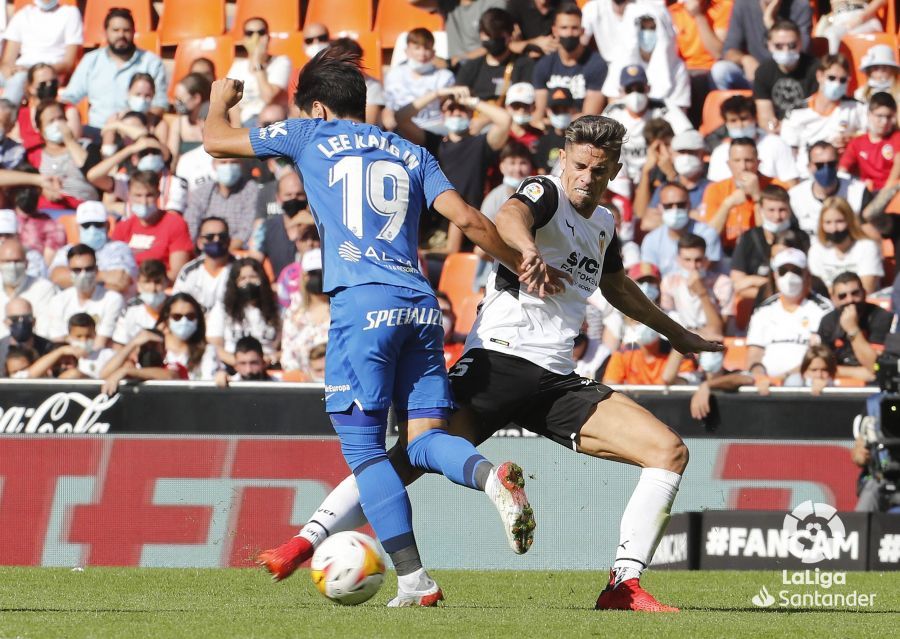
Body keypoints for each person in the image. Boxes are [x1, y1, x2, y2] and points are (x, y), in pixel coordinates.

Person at [256, 115, 722, 612]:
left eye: (600, 170)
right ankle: (305, 541)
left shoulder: (604, 223)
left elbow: (617, 287)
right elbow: (509, 216)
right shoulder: (545, 192)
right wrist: (526, 250)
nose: (587, 178)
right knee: (408, 457)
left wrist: (676, 334)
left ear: (615, 172)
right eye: (580, 166)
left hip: (556, 381)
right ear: (564, 159)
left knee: (668, 452)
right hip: (497, 363)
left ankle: (622, 586)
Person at [204, 48, 554, 606]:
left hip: (362, 305)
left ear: (319, 108)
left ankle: (415, 581)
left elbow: (216, 141)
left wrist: (220, 101)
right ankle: (491, 477)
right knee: (426, 440)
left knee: (366, 450)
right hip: (421, 304)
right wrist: (520, 264)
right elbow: (467, 219)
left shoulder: (307, 134)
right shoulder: (413, 151)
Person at [396, 86, 511, 252]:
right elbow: (400, 117)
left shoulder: (480, 144)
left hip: (469, 231)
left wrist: (473, 102)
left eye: (463, 109)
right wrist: (437, 93)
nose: (457, 113)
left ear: (471, 113)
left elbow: (505, 120)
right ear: (443, 114)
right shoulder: (434, 143)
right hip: (432, 229)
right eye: (451, 108)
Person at [59, 7, 169, 133]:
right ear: (106, 32)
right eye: (115, 30)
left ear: (134, 31)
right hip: (97, 130)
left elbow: (159, 105)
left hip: (134, 132)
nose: (121, 35)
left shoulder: (151, 62)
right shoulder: (91, 60)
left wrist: (137, 123)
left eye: (126, 30)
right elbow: (69, 97)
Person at [746, 248, 833, 379]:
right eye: (783, 271)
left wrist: (785, 377)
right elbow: (754, 353)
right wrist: (758, 375)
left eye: (796, 271)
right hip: (766, 382)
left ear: (807, 275)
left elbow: (822, 357)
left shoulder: (823, 310)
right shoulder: (763, 310)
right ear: (775, 276)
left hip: (805, 381)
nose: (789, 276)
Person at [603, 65, 692, 185]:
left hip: (658, 170)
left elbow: (687, 134)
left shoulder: (663, 107)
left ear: (648, 88)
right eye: (629, 90)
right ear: (621, 92)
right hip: (622, 173)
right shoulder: (613, 112)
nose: (635, 94)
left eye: (640, 89)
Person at [780, 53, 866, 177]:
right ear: (819, 76)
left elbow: (875, 137)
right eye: (831, 78)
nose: (837, 84)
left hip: (843, 174)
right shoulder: (796, 112)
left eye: (843, 80)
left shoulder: (856, 107)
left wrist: (852, 140)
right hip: (806, 175)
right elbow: (788, 152)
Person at [110, 170, 193, 281]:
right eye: (138, 195)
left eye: (149, 195)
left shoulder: (175, 223)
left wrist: (145, 283)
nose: (143, 201)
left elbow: (177, 273)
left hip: (162, 286)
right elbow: (113, 267)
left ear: (158, 195)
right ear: (129, 195)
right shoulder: (122, 227)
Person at [731, 184, 807, 304]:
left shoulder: (801, 238)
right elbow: (738, 285)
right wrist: (778, 288)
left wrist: (753, 280)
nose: (777, 216)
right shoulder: (748, 238)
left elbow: (805, 281)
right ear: (761, 210)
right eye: (771, 210)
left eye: (782, 210)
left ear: (790, 210)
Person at [531, 4, 608, 122]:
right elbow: (539, 114)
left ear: (582, 31)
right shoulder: (544, 65)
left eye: (574, 28)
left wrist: (561, 120)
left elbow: (590, 116)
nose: (569, 33)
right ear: (555, 31)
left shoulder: (596, 64)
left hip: (581, 130)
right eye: (564, 28)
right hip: (550, 128)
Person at [701, 137, 777, 252]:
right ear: (729, 164)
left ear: (758, 163)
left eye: (748, 160)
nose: (743, 167)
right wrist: (727, 205)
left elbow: (769, 237)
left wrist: (757, 196)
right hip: (727, 252)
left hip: (761, 251)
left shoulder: (774, 186)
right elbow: (708, 237)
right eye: (737, 161)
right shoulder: (715, 189)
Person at [713, 0, 812, 89]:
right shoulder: (743, 3)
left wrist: (772, 26)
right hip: (754, 73)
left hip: (789, 74)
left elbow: (802, 50)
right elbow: (729, 50)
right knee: (721, 70)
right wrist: (745, 59)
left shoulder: (800, 5)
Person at [0, 0, 82, 106]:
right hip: (21, 69)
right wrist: (9, 72)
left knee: (19, 79)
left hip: (48, 72)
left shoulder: (70, 14)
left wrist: (31, 71)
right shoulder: (22, 15)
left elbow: (68, 63)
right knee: (15, 78)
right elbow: (8, 60)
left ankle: (6, 114)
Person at [705, 94, 799, 184]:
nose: (739, 125)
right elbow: (714, 188)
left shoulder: (776, 144)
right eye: (733, 120)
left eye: (744, 119)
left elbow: (791, 183)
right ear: (726, 123)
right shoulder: (719, 153)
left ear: (755, 118)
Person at [49, 200, 136, 294]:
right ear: (78, 227)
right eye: (86, 225)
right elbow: (57, 277)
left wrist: (76, 277)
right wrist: (102, 276)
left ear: (107, 225)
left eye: (97, 224)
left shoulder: (120, 248)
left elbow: (120, 281)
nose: (92, 229)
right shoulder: (67, 250)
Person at [45, 244, 124, 348]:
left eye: (88, 269)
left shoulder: (112, 299)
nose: (83, 274)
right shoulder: (58, 301)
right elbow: (58, 342)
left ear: (96, 270)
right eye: (77, 270)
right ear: (69, 271)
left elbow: (100, 343)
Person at [816, 271, 891, 380]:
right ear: (833, 299)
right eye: (842, 296)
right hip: (836, 384)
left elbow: (876, 366)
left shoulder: (881, 317)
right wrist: (856, 372)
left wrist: (852, 329)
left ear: (864, 293)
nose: (850, 300)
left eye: (855, 293)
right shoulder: (828, 322)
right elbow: (820, 367)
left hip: (874, 385)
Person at [206, 257, 281, 366]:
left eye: (253, 277)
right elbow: (215, 346)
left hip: (269, 366)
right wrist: (242, 364)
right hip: (232, 368)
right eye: (242, 279)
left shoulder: (278, 309)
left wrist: (271, 358)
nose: (248, 282)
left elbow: (288, 347)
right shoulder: (222, 309)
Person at [383, 28, 456, 134]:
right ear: (407, 51)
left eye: (427, 48)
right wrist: (388, 118)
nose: (422, 53)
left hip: (433, 130)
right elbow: (389, 107)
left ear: (433, 52)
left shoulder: (445, 77)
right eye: (417, 48)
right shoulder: (394, 74)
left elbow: (448, 108)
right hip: (401, 129)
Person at [454, 8, 535, 103]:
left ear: (509, 36)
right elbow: (458, 98)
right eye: (488, 36)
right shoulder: (471, 67)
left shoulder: (523, 65)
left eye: (497, 37)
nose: (491, 41)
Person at [31, 100, 101, 209]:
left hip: (84, 209)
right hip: (50, 210)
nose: (58, 124)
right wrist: (43, 191)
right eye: (51, 121)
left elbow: (92, 172)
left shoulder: (86, 146)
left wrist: (70, 141)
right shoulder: (35, 154)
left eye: (60, 118)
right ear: (40, 129)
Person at [751, 19, 820, 130]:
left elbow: (819, 111)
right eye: (779, 46)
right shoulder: (763, 71)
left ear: (800, 43)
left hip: (808, 128)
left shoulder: (816, 69)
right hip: (778, 130)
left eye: (792, 45)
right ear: (769, 45)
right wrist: (774, 128)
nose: (786, 50)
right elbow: (765, 117)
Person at [640, 182, 721, 276]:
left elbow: (705, 272)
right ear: (660, 208)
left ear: (689, 205)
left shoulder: (707, 234)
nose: (675, 209)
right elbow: (649, 274)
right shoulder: (651, 240)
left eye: (680, 205)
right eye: (668, 206)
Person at [660, 234, 732, 338]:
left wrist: (702, 292)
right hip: (682, 340)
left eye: (698, 260)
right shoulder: (669, 282)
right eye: (687, 260)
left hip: (712, 343)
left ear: (705, 260)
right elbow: (667, 324)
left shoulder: (723, 283)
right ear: (678, 260)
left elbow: (719, 331)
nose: (693, 266)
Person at [788, 141, 867, 236]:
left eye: (831, 164)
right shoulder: (795, 196)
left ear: (838, 165)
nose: (826, 169)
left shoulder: (858, 192)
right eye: (819, 165)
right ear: (809, 167)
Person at [808, 196, 883, 294]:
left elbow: (866, 289)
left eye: (839, 221)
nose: (834, 229)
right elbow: (817, 289)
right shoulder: (816, 250)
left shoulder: (867, 247)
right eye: (828, 222)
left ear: (850, 221)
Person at [225, 17, 291, 126]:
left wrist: (258, 62)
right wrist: (237, 130)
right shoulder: (238, 66)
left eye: (261, 32)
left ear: (268, 37)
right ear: (244, 39)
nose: (256, 38)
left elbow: (268, 97)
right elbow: (232, 102)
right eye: (250, 33)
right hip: (244, 122)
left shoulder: (281, 62)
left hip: (271, 122)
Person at [183, 158, 258, 248]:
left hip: (238, 251)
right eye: (223, 162)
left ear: (241, 164)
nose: (228, 167)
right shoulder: (202, 192)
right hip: (205, 249)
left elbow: (247, 228)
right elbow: (191, 225)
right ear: (214, 164)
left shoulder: (251, 190)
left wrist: (224, 251)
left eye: (234, 162)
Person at [839, 92, 900, 195]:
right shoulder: (857, 143)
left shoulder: (897, 137)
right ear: (869, 114)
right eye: (879, 116)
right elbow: (842, 170)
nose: (884, 121)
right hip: (867, 193)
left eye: (889, 117)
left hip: (892, 193)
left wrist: (885, 193)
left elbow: (898, 164)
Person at [410, 0, 507, 64]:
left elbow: (497, 43)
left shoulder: (494, 3)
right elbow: (413, 1)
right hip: (457, 69)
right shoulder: (448, 3)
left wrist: (462, 59)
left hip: (484, 67)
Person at [280, 249, 330, 372]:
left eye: (321, 273)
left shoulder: (342, 311)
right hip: (302, 380)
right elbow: (287, 357)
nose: (317, 278)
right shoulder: (293, 313)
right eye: (312, 273)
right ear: (303, 276)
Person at [25, 312, 115, 379]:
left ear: (95, 334)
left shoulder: (107, 354)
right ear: (69, 336)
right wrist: (61, 351)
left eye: (88, 336)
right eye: (78, 336)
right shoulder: (59, 353)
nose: (84, 340)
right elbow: (29, 375)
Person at [0, 238, 56, 339]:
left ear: (27, 263)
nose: (13, 266)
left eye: (17, 261)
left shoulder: (43, 288)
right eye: (7, 261)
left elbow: (44, 329)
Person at [256, 172, 308, 277]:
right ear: (278, 198)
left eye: (299, 194)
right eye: (288, 195)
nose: (294, 198)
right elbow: (254, 260)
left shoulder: (318, 229)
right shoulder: (266, 228)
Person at [113, 259, 167, 345]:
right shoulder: (130, 309)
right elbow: (119, 344)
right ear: (138, 285)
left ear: (166, 282)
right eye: (147, 282)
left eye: (157, 282)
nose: (152, 288)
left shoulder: (177, 307)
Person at [166, 73, 212, 168]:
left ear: (196, 98)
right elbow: (172, 162)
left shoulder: (214, 124)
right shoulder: (179, 124)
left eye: (180, 99)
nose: (176, 103)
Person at [0, 297, 53, 374]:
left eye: (26, 318)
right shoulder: (1, 349)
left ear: (34, 321)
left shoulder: (49, 348)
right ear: (6, 322)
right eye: (15, 319)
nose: (21, 322)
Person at [814, 0, 886, 55]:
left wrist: (861, 18)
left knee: (832, 34)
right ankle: (832, 66)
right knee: (825, 36)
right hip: (839, 20)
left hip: (864, 18)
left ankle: (833, 65)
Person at [534, 87, 576, 173]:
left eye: (565, 109)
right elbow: (541, 171)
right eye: (556, 110)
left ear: (573, 110)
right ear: (548, 111)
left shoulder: (578, 140)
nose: (561, 114)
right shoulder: (543, 141)